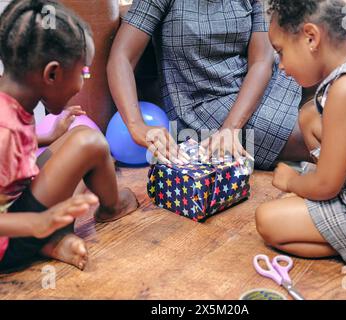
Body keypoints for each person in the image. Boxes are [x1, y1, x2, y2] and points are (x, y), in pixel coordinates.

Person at [256, 0, 346, 265]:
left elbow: (326, 186)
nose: (282, 65)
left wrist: (292, 181)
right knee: (309, 115)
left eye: (281, 51)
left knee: (267, 220)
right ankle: (341, 230)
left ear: (311, 37)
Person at [0, 0, 139, 271]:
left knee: (72, 142)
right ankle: (112, 207)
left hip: (15, 208)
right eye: (83, 72)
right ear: (52, 73)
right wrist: (39, 223)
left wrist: (49, 138)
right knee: (90, 143)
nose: (82, 83)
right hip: (8, 242)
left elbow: (15, 151)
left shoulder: (10, 102)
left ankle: (50, 240)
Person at [107, 0, 313, 169]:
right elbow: (121, 56)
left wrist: (232, 127)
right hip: (201, 107)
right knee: (312, 138)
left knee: (324, 107)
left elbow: (261, 61)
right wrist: (136, 126)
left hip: (255, 86)